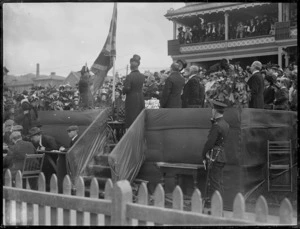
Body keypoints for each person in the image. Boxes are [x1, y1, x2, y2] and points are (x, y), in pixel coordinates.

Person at [202, 99, 229, 207]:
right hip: (221, 155)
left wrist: (203, 155)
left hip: (214, 157)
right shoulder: (225, 124)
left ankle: (216, 207)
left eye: (212, 109)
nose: (211, 111)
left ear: (215, 111)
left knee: (214, 183)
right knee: (218, 182)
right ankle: (219, 205)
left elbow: (209, 143)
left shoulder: (217, 125)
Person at [28, 127, 59, 191]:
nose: (31, 139)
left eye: (32, 137)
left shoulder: (49, 139)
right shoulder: (35, 142)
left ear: (37, 135)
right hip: (43, 163)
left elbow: (56, 149)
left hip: (52, 163)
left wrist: (45, 149)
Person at [122, 54, 146, 129]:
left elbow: (127, 88)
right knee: (139, 118)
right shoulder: (142, 76)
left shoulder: (129, 76)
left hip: (131, 99)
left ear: (130, 66)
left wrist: (123, 90)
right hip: (140, 98)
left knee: (131, 119)